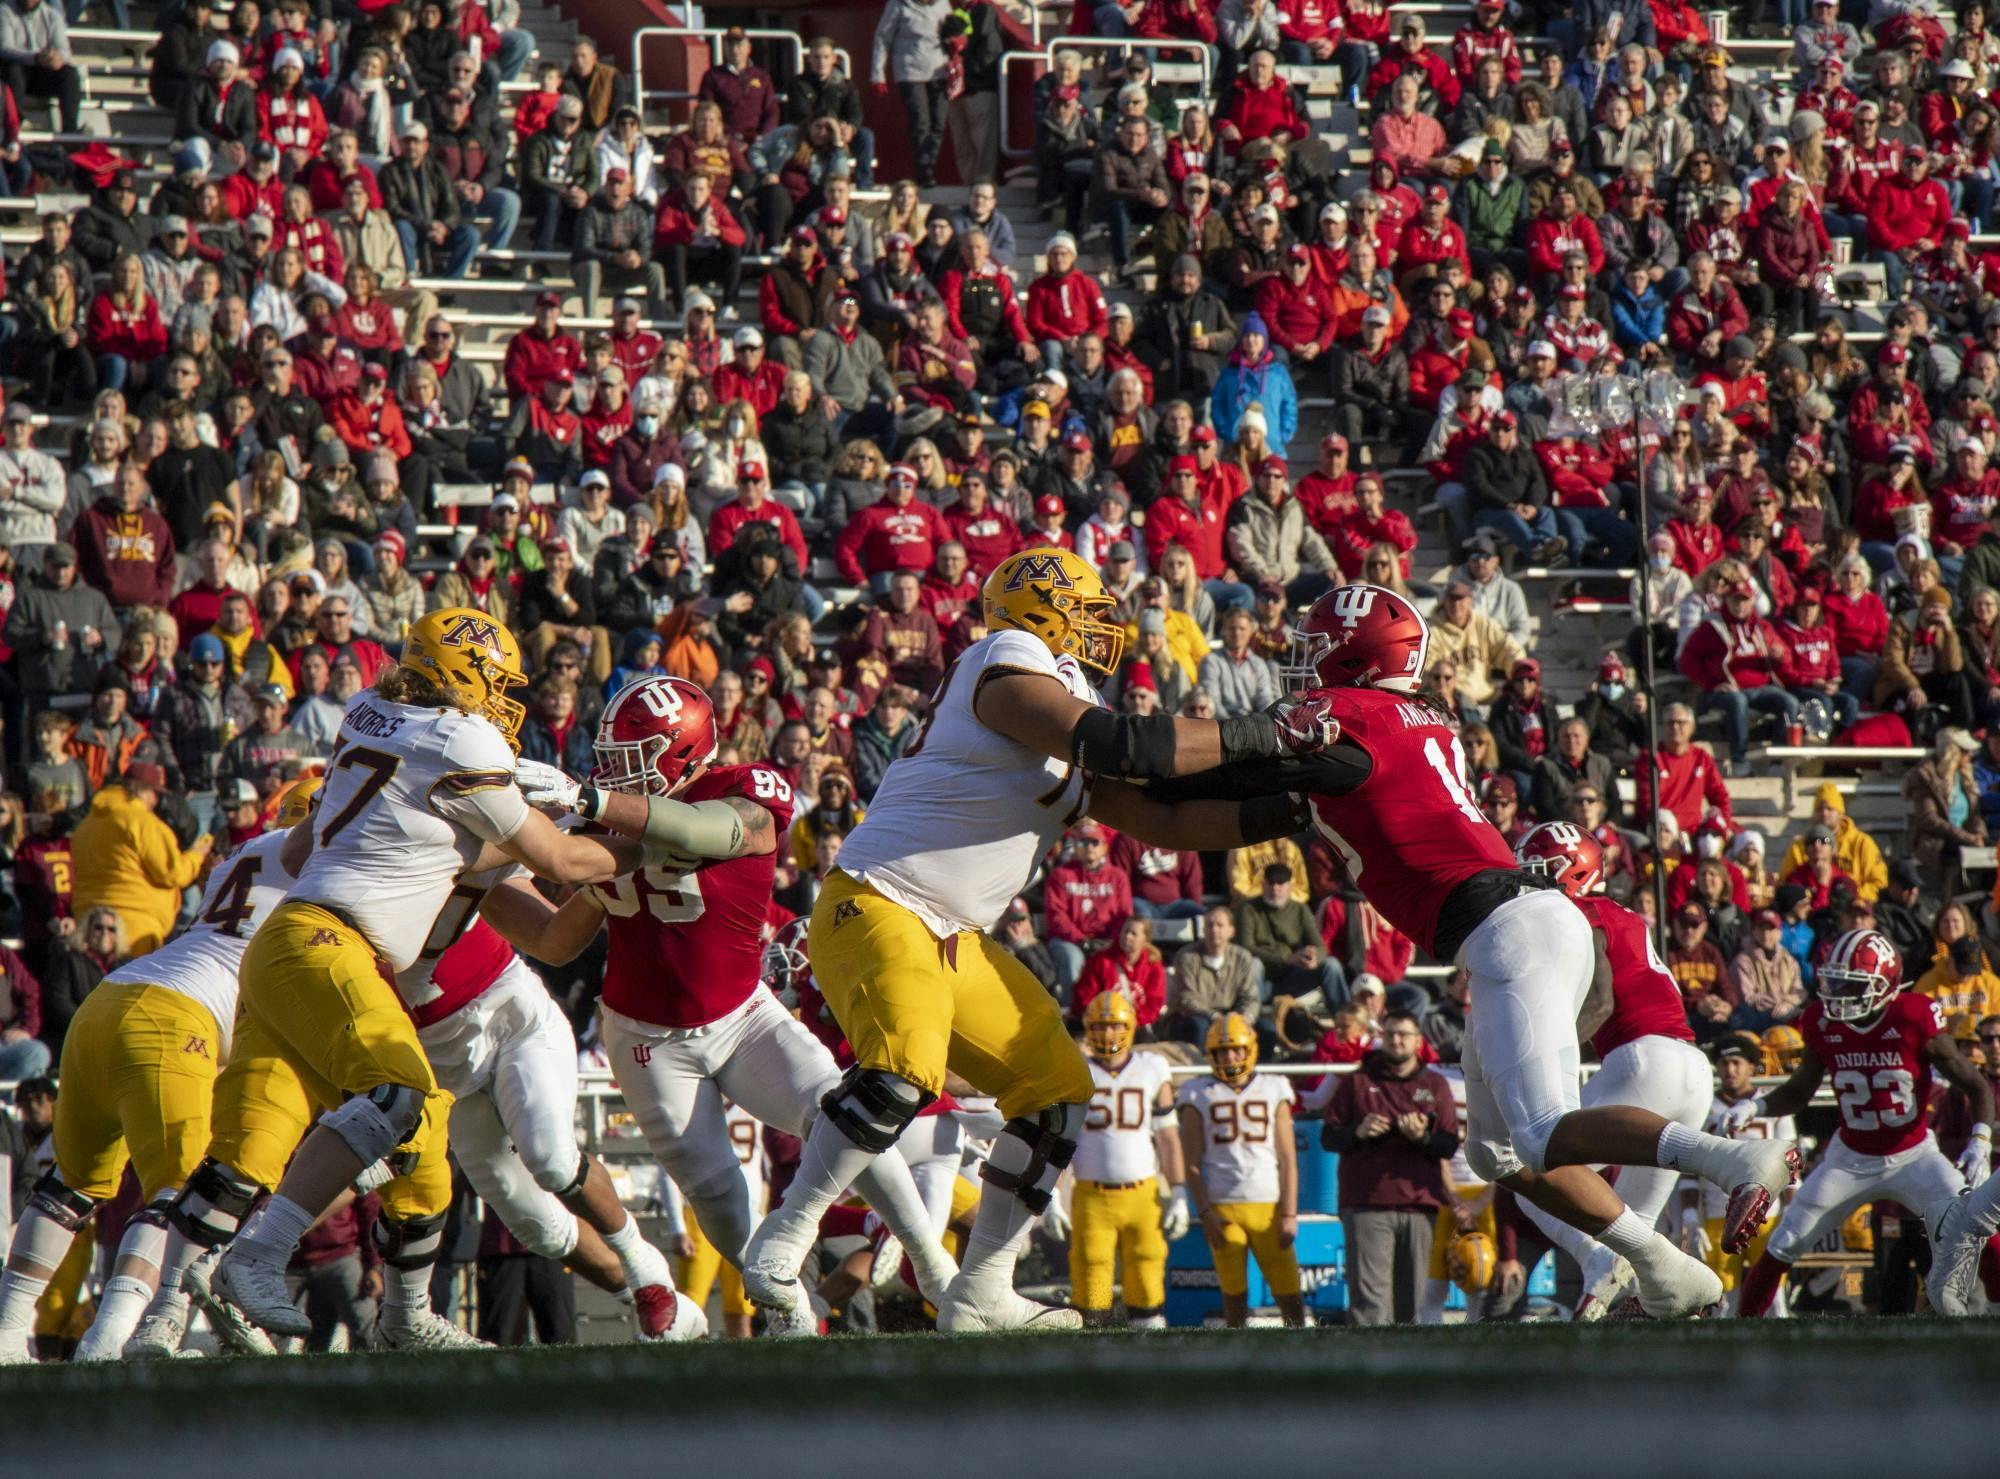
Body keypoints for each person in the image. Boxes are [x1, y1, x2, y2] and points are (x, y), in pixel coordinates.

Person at [738, 546, 1333, 1332]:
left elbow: (1163, 816)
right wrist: (1268, 731)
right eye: (1084, 611)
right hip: (881, 900)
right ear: (1039, 611)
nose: (1099, 629)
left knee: (1057, 1093)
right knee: (903, 1069)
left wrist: (1294, 810)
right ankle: (783, 1236)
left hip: (953, 935)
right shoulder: (1004, 658)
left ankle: (982, 1288)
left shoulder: (1069, 698)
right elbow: (1132, 746)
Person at [1242, 583, 1792, 1317]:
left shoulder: (1566, 905)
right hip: (1665, 1043)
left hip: (1576, 997)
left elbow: (1589, 996)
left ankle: (1714, 1174)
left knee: (1541, 1134)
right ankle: (1653, 1264)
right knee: (1495, 1153)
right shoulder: (1610, 907)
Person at [155, 610, 650, 1348]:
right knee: (397, 1095)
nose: (502, 701)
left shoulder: (373, 713)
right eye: (494, 682)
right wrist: (654, 837)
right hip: (325, 944)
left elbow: (364, 842)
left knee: (416, 1141)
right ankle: (257, 1252)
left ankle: (406, 1318)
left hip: (301, 948)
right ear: (460, 673)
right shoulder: (459, 739)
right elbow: (563, 862)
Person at [509, 675, 959, 1338]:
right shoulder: (611, 813)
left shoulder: (746, 791)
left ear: (681, 754)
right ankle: (791, 1311)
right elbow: (554, 936)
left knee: (837, 1108)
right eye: (608, 757)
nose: (612, 770)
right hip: (648, 1038)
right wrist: (480, 878)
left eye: (631, 758)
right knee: (718, 1191)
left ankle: (934, 1265)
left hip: (743, 1013)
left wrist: (589, 798)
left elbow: (700, 830)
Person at [0, 798, 305, 1365]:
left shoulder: (239, 857)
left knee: (71, 1186)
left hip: (110, 1001)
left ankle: (6, 1330)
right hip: (175, 1019)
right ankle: (110, 1335)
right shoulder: (320, 866)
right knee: (182, 1196)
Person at [1510, 822, 1719, 1318]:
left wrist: (1546, 1048)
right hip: (1691, 1067)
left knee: (1530, 1169)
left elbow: (1601, 1000)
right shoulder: (1619, 912)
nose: (1527, 882)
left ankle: (1596, 1260)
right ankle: (1638, 1301)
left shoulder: (1577, 913)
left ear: (1575, 870)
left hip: (1642, 1059)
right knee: (1635, 1221)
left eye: (1538, 871)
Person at [1736, 932, 1994, 1317]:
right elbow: (1799, 1091)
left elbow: (1974, 1084)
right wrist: (1754, 1105)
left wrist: (1980, 1139)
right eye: (1836, 982)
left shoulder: (1912, 1016)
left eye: (1852, 985)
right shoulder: (1822, 1023)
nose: (1838, 994)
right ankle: (1741, 1334)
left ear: (1886, 986)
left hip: (1914, 1155)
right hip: (1850, 1159)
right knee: (1784, 1242)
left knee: (1980, 1227)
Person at [1316, 1008, 1459, 1325]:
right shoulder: (1357, 1082)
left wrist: (1421, 1137)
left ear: (1418, 1041)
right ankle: (1369, 1368)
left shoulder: (1435, 1085)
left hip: (1420, 1205)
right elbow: (1327, 1138)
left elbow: (1448, 1145)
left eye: (1404, 1034)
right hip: (1367, 1202)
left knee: (1414, 1305)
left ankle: (1410, 1371)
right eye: (1391, 1033)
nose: (1397, 1040)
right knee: (1370, 1306)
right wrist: (1358, 1131)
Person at [1068, 992, 1188, 1329]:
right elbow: (1062, 1140)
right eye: (1101, 1027)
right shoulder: (1076, 1069)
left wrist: (1178, 1191)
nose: (1108, 1035)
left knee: (1147, 1269)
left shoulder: (1153, 1067)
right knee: (1091, 1275)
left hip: (1142, 1193)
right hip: (1092, 1195)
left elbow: (1167, 1137)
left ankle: (1150, 1355)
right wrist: (1052, 1198)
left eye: (1116, 1026)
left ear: (1131, 1027)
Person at [1178, 1014, 1305, 1328]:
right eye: (1223, 1051)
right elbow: (1191, 1160)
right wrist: (1205, 1211)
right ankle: (1235, 1355)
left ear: (1251, 1049)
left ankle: (1301, 1352)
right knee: (1233, 1294)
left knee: (1289, 1292)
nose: (1230, 1057)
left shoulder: (1273, 1087)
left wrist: (1289, 1212)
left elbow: (1288, 1158)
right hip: (1224, 1207)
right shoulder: (1197, 1092)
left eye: (1236, 1049)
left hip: (1269, 1207)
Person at [1679, 1034, 1796, 1312]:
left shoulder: (1773, 1108)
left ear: (1751, 1066)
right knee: (1721, 1297)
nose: (1729, 1070)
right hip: (1718, 1212)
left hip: (1767, 1214)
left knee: (1774, 1297)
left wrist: (1792, 1210)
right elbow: (1688, 1167)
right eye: (1723, 1063)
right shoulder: (1703, 1109)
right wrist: (1690, 1215)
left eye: (1736, 1062)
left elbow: (1792, 1168)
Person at [68, 763, 214, 957]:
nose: (155, 801)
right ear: (144, 790)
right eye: (156, 794)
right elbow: (173, 873)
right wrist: (197, 854)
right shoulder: (143, 823)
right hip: (134, 928)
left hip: (88, 923)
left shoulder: (86, 826)